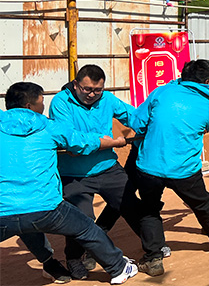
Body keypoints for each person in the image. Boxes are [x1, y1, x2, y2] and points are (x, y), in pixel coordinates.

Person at [0, 82, 138, 285]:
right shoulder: (48, 126)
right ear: (29, 106)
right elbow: (83, 141)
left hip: (3, 212)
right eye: (41, 102)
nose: (43, 107)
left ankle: (51, 265)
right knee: (86, 228)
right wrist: (115, 142)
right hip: (46, 208)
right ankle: (119, 267)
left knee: (23, 224)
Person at [132, 59, 209, 274]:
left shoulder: (162, 92)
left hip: (148, 167)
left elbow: (138, 122)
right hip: (183, 170)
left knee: (149, 210)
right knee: (202, 202)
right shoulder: (207, 106)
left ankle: (153, 258)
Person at [49, 65, 157, 280]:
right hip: (74, 175)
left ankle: (154, 252)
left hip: (107, 168)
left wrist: (156, 126)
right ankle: (74, 258)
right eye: (87, 89)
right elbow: (70, 139)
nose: (92, 94)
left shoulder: (107, 99)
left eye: (97, 90)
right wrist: (107, 142)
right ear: (75, 85)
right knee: (80, 218)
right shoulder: (60, 102)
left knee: (130, 205)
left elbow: (133, 116)